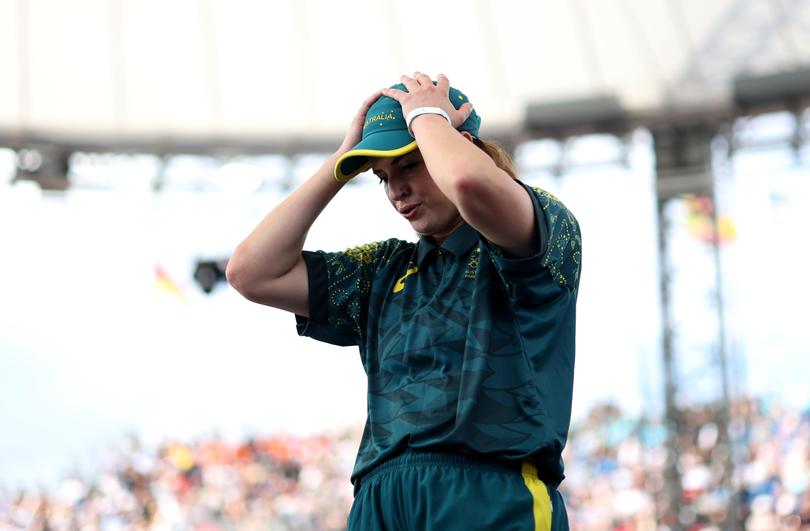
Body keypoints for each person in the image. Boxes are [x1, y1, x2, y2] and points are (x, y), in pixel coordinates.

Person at [227, 72, 582, 530]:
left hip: (491, 493)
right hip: (380, 498)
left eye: (410, 165)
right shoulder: (384, 269)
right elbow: (251, 272)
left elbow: (471, 184)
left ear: (462, 143)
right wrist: (340, 162)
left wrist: (428, 117)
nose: (396, 191)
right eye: (382, 177)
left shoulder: (541, 225)